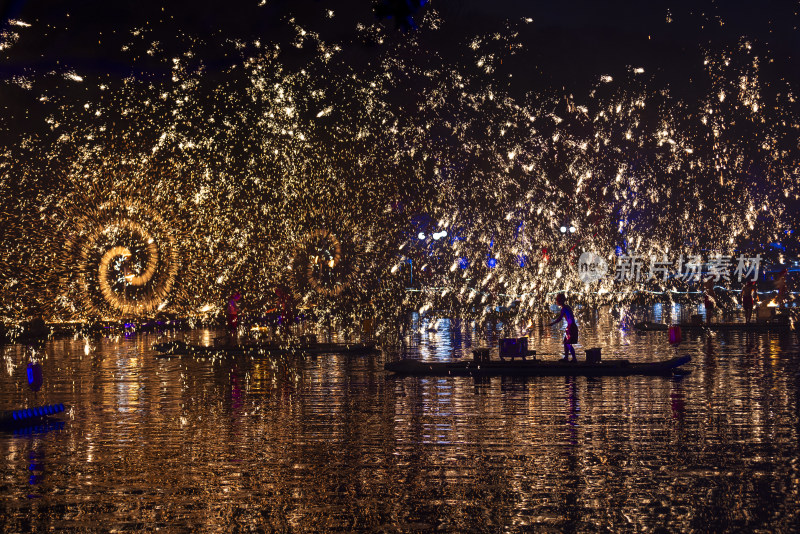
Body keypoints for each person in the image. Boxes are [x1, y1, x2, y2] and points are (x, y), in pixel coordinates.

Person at [549, 293, 578, 362]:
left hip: (571, 327)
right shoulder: (566, 307)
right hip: (571, 326)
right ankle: (566, 358)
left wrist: (552, 323)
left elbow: (559, 318)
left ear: (560, 301)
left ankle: (574, 359)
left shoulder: (564, 308)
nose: (556, 301)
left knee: (568, 343)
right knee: (566, 342)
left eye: (557, 300)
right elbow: (560, 317)